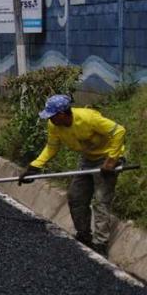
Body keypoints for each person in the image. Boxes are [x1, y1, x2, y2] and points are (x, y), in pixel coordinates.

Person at [18, 94, 126, 255]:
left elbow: (119, 131)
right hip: (87, 159)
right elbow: (51, 147)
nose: (50, 119)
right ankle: (84, 235)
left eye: (52, 116)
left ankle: (100, 244)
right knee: (75, 197)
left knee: (101, 200)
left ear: (62, 114)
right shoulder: (54, 125)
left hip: (106, 159)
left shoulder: (88, 118)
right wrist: (34, 167)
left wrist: (111, 160)